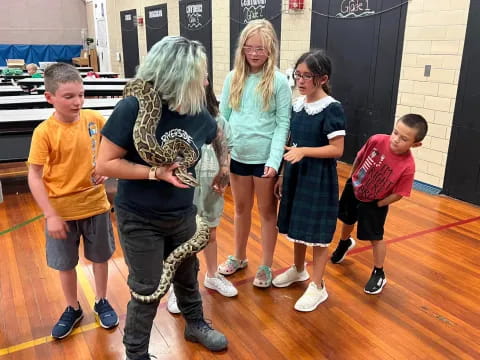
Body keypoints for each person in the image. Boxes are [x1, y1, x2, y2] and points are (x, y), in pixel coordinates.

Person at [95, 36, 228, 360]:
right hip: (139, 216)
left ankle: (195, 324)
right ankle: (136, 353)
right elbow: (104, 164)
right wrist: (154, 173)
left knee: (186, 272)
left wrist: (223, 165)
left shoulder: (197, 110)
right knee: (148, 286)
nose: (206, 81)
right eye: (200, 74)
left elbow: (218, 134)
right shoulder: (134, 108)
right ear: (176, 77)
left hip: (182, 213)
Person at [27, 63, 118, 339]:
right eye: (69, 97)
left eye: (81, 94)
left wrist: (105, 166)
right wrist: (50, 214)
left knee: (100, 258)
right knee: (65, 264)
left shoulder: (94, 119)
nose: (77, 102)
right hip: (61, 212)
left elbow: (112, 148)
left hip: (96, 206)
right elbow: (34, 175)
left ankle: (101, 300)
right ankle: (72, 307)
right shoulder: (44, 132)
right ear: (50, 98)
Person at [218, 19, 291, 288]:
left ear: (271, 49)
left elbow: (283, 124)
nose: (255, 53)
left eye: (261, 48)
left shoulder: (279, 82)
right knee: (240, 209)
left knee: (267, 212)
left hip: (264, 160)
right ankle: (238, 257)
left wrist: (274, 161)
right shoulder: (232, 77)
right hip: (238, 156)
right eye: (250, 47)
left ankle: (266, 265)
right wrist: (222, 156)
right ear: (243, 48)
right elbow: (223, 118)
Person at [272, 50, 346, 312]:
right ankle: (298, 270)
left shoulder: (332, 108)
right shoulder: (296, 105)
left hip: (318, 178)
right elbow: (292, 144)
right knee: (298, 228)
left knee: (318, 235)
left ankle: (318, 285)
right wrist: (282, 173)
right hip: (296, 175)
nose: (300, 81)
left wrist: (304, 151)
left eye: (307, 76)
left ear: (323, 78)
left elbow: (337, 149)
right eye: (298, 75)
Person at [331, 113, 428, 295]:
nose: (396, 139)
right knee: (347, 220)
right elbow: (359, 158)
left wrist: (381, 203)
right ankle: (344, 243)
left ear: (416, 144)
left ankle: (379, 272)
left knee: (375, 237)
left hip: (376, 202)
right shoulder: (376, 140)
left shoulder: (408, 166)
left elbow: (400, 193)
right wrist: (351, 180)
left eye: (404, 138)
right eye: (395, 132)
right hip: (354, 188)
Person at [167, 75, 237, 314]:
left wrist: (225, 173)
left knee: (210, 233)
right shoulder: (177, 119)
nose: (205, 84)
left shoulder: (217, 119)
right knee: (180, 237)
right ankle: (175, 288)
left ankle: (212, 274)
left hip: (211, 185)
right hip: (183, 187)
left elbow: (227, 147)